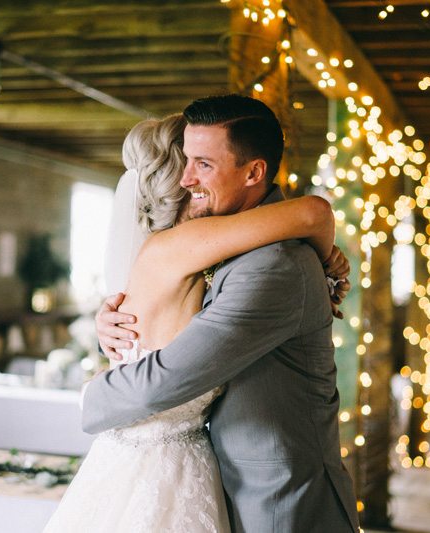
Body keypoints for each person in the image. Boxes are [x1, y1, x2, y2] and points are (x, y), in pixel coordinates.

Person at [44, 109, 344, 532]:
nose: (189, 178)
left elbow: (314, 212)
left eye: (202, 164)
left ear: (252, 172)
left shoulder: (271, 262)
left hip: (278, 498)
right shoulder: (200, 251)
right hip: (191, 472)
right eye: (185, 162)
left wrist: (91, 393)